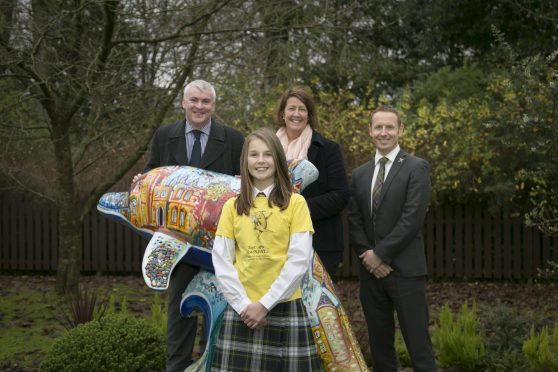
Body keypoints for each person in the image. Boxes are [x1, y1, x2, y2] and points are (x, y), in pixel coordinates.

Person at [138, 79, 244, 372]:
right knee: (180, 307)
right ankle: (178, 366)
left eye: (206, 102)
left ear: (214, 106)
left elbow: (244, 184)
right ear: (183, 103)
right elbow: (153, 171)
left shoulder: (234, 139)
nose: (199, 106)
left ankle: (215, 364)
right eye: (194, 100)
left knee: (223, 305)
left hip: (220, 243)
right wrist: (142, 181)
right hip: (178, 239)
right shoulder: (164, 135)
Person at [211, 127, 322, 371]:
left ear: (278, 160)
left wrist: (265, 304)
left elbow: (299, 260)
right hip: (242, 309)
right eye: (254, 155)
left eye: (267, 154)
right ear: (245, 161)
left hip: (284, 305)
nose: (261, 161)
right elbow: (221, 260)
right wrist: (244, 306)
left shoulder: (296, 203)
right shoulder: (231, 206)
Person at [347, 106, 437, 371]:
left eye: (389, 127)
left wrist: (380, 255)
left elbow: (412, 219)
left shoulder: (416, 168)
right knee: (380, 348)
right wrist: (369, 258)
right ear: (370, 131)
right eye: (378, 127)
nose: (383, 133)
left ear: (400, 130)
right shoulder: (360, 174)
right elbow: (354, 220)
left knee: (419, 346)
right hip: (371, 275)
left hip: (406, 272)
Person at [274, 86, 349, 275]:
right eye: (291, 108)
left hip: (319, 242)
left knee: (314, 305)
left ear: (309, 115)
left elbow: (340, 195)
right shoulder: (267, 149)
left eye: (302, 109)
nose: (296, 114)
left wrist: (297, 209)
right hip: (274, 243)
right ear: (283, 113)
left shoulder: (327, 149)